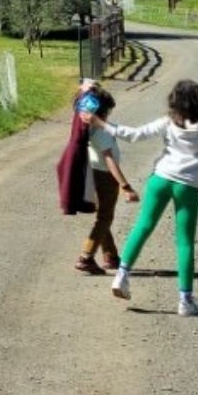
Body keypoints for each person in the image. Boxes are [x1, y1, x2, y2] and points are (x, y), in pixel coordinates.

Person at [83, 78, 198, 316]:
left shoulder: (169, 123)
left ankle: (121, 277)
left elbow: (133, 135)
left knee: (142, 227)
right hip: (188, 188)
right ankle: (185, 300)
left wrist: (99, 122)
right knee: (184, 242)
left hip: (160, 180)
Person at [71, 80, 139, 275]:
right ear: (103, 111)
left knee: (104, 216)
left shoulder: (86, 123)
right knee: (104, 218)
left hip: (93, 173)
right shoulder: (101, 131)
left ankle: (110, 255)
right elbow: (110, 160)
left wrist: (85, 89)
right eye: (108, 110)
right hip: (105, 177)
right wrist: (125, 186)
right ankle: (86, 257)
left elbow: (79, 101)